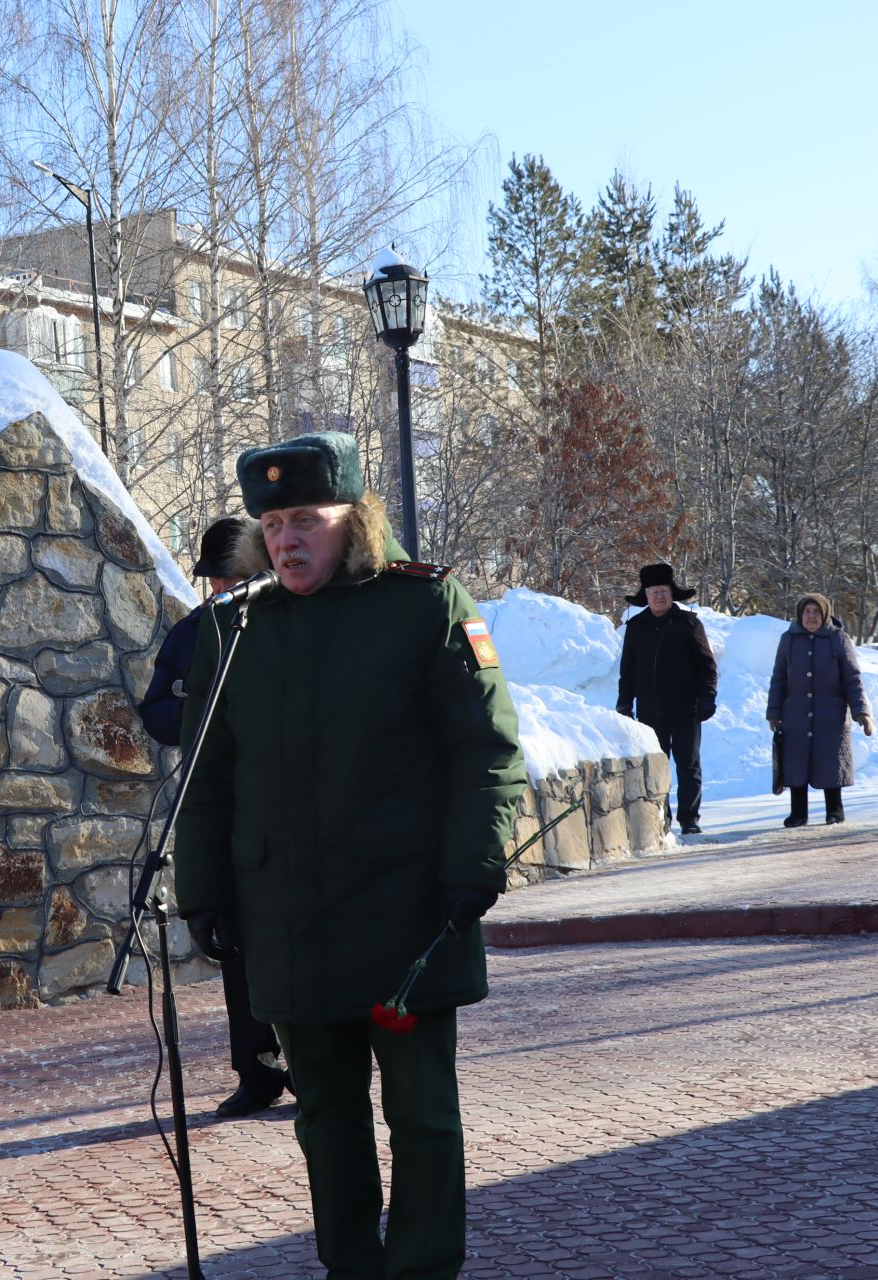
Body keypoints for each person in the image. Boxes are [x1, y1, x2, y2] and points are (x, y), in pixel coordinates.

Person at [175, 431, 527, 1279]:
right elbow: (206, 778)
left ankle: (421, 1267)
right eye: (272, 523)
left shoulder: (426, 606)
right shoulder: (234, 628)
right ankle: (352, 1270)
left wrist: (472, 868)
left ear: (356, 520)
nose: (286, 538)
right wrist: (205, 893)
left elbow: (485, 749)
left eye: (306, 518)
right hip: (286, 914)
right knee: (326, 1117)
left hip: (408, 913)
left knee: (422, 1118)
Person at [138, 515, 291, 1120]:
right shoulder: (194, 633)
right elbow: (156, 711)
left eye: (233, 579)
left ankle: (313, 1068)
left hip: (290, 813)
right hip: (225, 815)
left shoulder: (292, 627)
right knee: (236, 945)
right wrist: (202, 714)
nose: (219, 590)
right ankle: (256, 1071)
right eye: (215, 580)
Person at [616, 563, 719, 835]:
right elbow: (627, 670)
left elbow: (707, 666)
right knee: (656, 768)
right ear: (646, 596)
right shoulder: (636, 627)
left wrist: (707, 697)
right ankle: (663, 819)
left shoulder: (688, 623)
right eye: (654, 592)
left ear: (671, 593)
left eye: (664, 591)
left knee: (688, 765)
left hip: (687, 709)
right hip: (650, 711)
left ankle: (689, 818)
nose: (659, 596)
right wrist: (624, 703)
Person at [768, 592, 874, 826]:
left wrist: (862, 712)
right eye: (807, 612)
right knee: (796, 763)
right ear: (800, 614)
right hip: (794, 713)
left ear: (825, 614)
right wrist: (774, 712)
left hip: (831, 714)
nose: (812, 616)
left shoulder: (838, 639)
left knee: (830, 762)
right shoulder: (789, 639)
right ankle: (798, 813)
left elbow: (852, 679)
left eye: (817, 612)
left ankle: (834, 810)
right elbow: (779, 678)